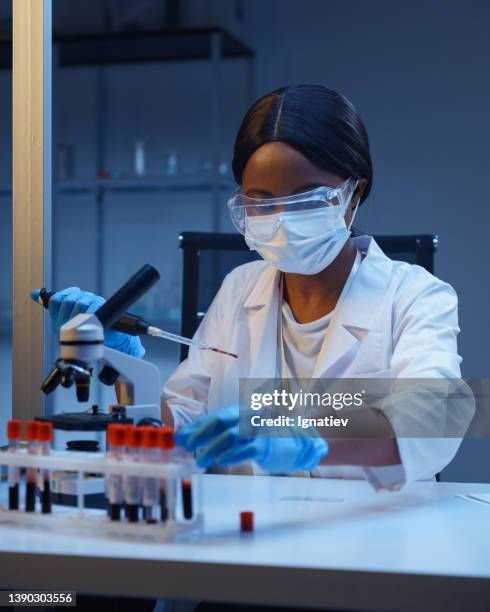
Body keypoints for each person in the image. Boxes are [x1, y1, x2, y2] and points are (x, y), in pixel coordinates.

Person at [34, 84, 470, 490]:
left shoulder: (415, 296)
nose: (281, 218)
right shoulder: (240, 287)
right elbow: (183, 423)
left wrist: (307, 438)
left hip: (378, 537)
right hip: (249, 527)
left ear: (354, 194)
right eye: (261, 201)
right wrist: (126, 367)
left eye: (306, 198)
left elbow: (436, 416)